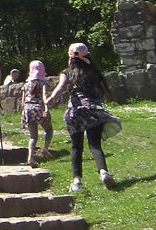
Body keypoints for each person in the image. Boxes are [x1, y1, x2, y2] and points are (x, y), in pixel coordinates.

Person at [46, 43, 121, 191]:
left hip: (75, 113)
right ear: (87, 55)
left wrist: (52, 98)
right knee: (95, 145)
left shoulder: (67, 73)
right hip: (93, 111)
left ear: (70, 57)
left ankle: (77, 182)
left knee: (76, 147)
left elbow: (61, 86)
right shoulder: (93, 71)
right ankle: (103, 172)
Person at [21, 60, 54, 166]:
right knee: (49, 130)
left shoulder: (26, 85)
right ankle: (45, 148)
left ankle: (30, 157)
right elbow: (44, 97)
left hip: (27, 110)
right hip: (39, 109)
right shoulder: (43, 83)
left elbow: (23, 101)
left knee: (33, 136)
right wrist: (46, 110)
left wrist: (24, 112)